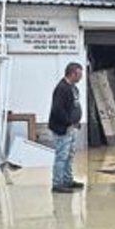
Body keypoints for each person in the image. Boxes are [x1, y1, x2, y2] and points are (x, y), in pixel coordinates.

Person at [48, 62, 85, 194]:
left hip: (72, 127)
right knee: (61, 156)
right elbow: (57, 110)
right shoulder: (61, 88)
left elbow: (73, 107)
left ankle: (68, 180)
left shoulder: (73, 88)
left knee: (70, 155)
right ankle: (57, 184)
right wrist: (69, 122)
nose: (81, 77)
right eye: (79, 74)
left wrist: (76, 122)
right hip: (62, 129)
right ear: (73, 73)